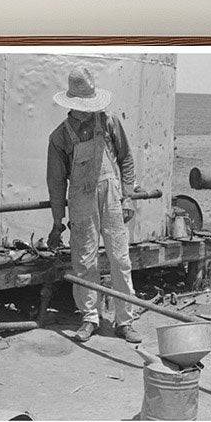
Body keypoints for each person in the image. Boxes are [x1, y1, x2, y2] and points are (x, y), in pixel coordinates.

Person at [46, 66, 142, 345]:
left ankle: (125, 320)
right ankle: (90, 318)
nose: (88, 110)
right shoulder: (59, 137)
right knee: (84, 260)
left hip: (112, 196)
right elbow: (55, 185)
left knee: (120, 259)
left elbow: (126, 160)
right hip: (80, 200)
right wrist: (56, 223)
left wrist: (127, 197)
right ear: (73, 104)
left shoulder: (109, 122)